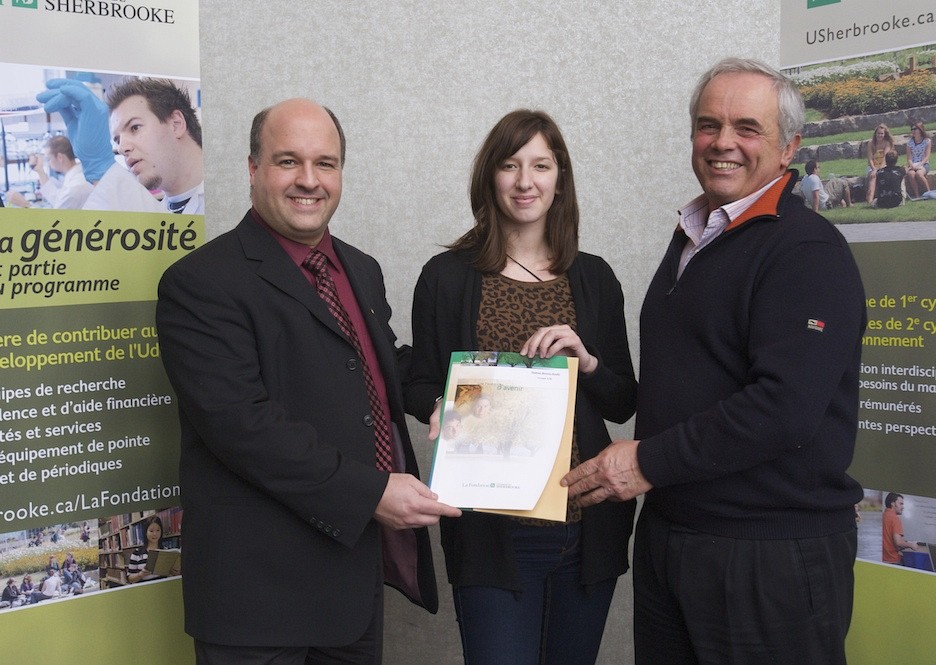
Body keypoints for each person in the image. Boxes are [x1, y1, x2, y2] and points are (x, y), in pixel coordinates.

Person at [561, 58, 867, 665]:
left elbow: (783, 408)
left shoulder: (807, 250)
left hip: (766, 554)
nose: (723, 142)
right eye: (709, 125)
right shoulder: (694, 235)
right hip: (673, 535)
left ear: (789, 148)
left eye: (747, 128)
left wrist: (646, 461)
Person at [156, 97, 460, 664]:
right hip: (256, 600)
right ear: (253, 168)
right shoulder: (199, 283)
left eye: (326, 163)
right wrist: (371, 493)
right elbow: (241, 424)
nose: (309, 180)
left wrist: (449, 398)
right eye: (288, 161)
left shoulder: (360, 268)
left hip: (350, 587)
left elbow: (373, 362)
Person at [406, 109, 638, 665]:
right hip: (491, 531)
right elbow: (418, 382)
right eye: (510, 165)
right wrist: (442, 406)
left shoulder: (595, 276)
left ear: (560, 178)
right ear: (490, 176)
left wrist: (588, 363)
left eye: (541, 165)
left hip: (585, 524)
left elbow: (623, 401)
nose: (525, 181)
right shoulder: (446, 277)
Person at [36, 76, 204, 214]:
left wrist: (101, 168)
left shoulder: (219, 199)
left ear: (176, 124)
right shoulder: (160, 208)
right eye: (117, 140)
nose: (122, 148)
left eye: (135, 127)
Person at [3, 136, 93, 209]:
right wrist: (40, 171)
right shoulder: (76, 177)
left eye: (49, 158)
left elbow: (53, 219)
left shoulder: (75, 186)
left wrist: (25, 204)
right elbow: (58, 199)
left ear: (60, 157)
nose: (48, 163)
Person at [126, 515, 175, 584]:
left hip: (163, 588)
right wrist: (140, 575)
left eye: (158, 530)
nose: (155, 534)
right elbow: (130, 579)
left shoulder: (166, 552)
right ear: (146, 532)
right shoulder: (137, 553)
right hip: (145, 589)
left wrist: (172, 572)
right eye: (151, 531)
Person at [881, 492, 920, 564]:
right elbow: (898, 542)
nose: (903, 507)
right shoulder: (895, 518)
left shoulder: (882, 516)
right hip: (892, 560)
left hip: (881, 559)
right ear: (893, 504)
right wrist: (911, 545)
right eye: (901, 504)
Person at [865, 123, 895, 204]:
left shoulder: (887, 143)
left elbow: (885, 158)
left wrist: (879, 169)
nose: (880, 135)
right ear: (875, 134)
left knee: (881, 175)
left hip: (884, 165)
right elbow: (870, 159)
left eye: (882, 133)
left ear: (884, 134)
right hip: (872, 166)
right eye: (878, 133)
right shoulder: (870, 143)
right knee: (873, 176)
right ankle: (870, 199)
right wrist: (874, 169)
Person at [905, 121, 932, 198]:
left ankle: (929, 192)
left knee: (919, 174)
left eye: (915, 129)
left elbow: (927, 156)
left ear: (920, 130)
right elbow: (909, 158)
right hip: (913, 164)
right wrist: (912, 166)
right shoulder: (909, 143)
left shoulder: (927, 141)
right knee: (911, 174)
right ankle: (917, 195)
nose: (913, 131)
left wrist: (920, 165)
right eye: (912, 129)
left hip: (924, 164)